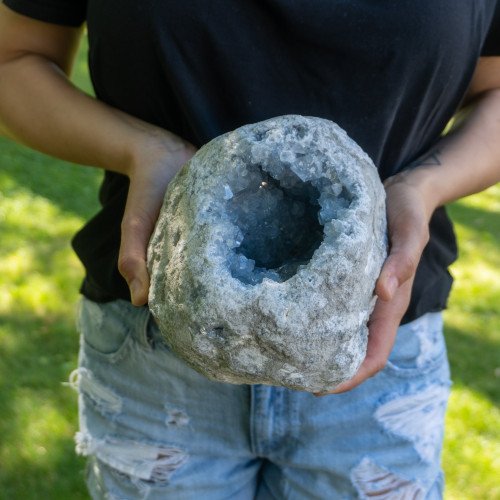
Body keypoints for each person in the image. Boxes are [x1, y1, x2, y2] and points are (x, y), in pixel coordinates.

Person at [0, 1, 499, 498]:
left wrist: (422, 185)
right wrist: (142, 148)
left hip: (376, 344)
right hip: (155, 341)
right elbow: (14, 60)